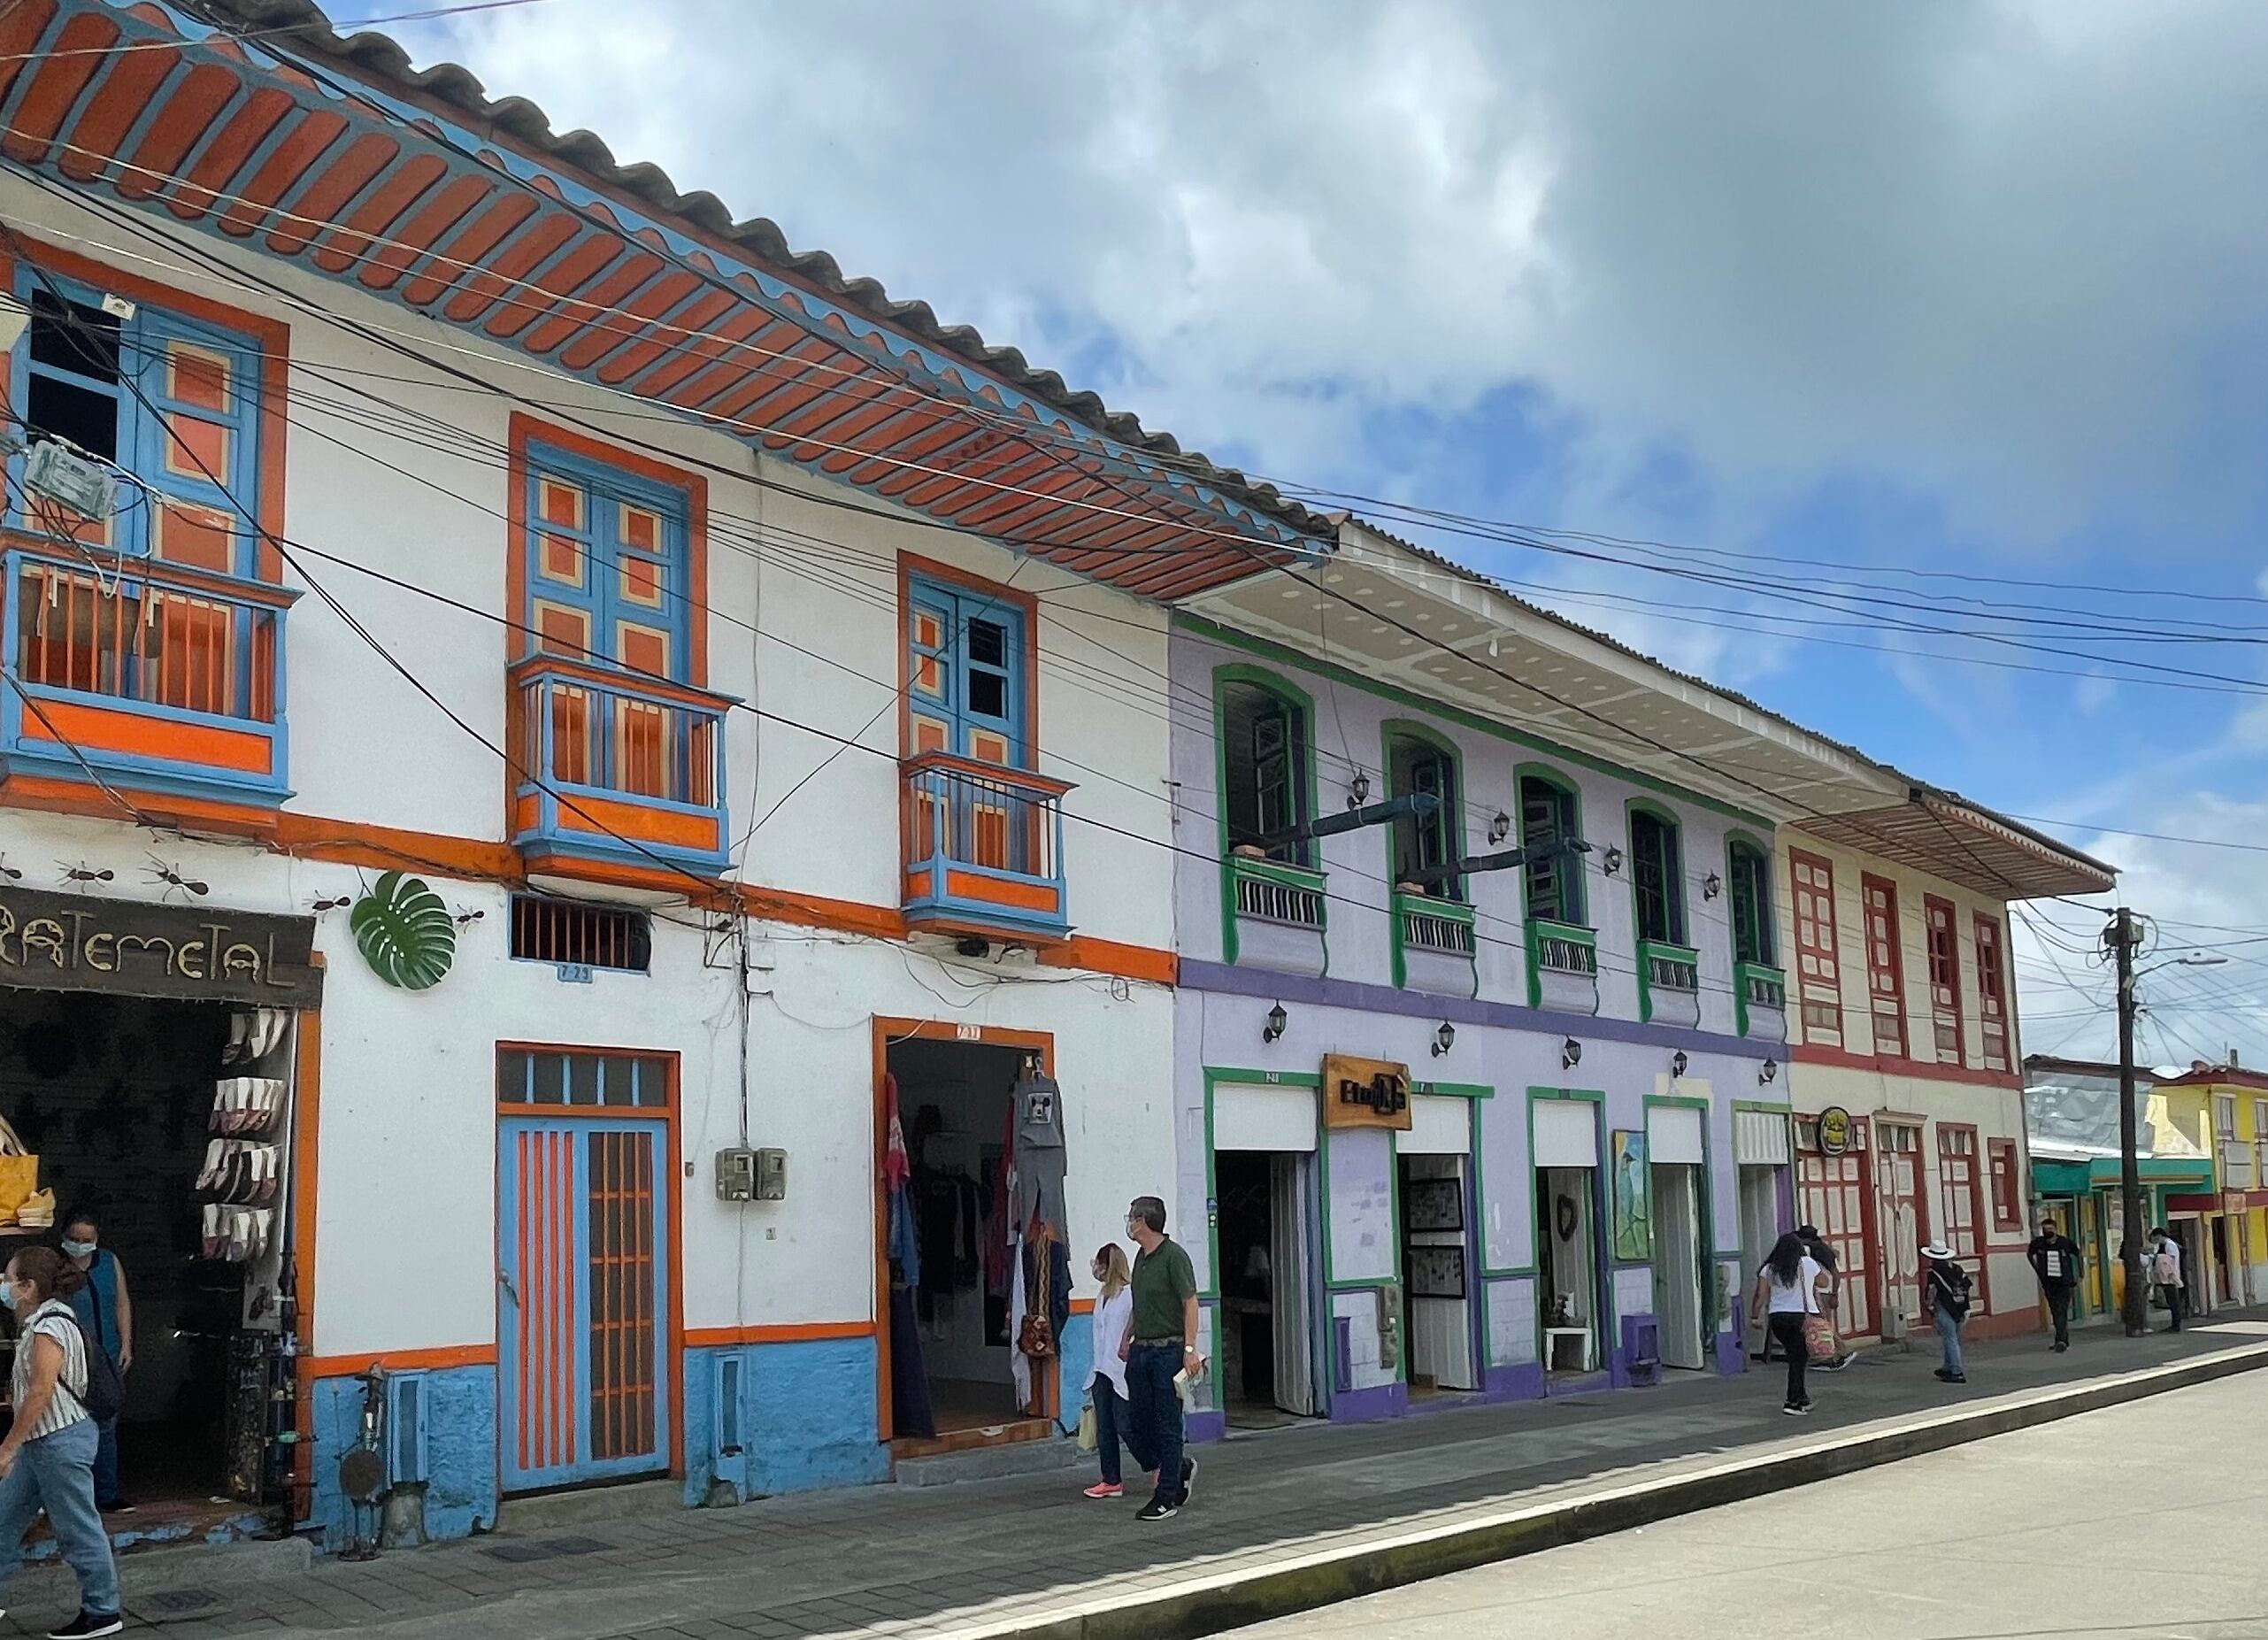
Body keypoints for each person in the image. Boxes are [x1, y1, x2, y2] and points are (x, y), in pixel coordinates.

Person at [0, 1246, 123, 1638]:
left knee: (77, 1530)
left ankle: (103, 1612)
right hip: (42, 1445)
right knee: (2, 1521)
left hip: (58, 1443)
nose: (4, 1286)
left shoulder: (49, 1327)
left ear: (28, 1286)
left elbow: (41, 1392)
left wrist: (7, 1447)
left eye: (8, 1279)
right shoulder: (42, 1321)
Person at [1119, 1195, 1201, 1521]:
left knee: (1168, 1423)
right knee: (1132, 1419)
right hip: (1142, 1349)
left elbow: (1190, 1302)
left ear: (1144, 1221)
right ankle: (1177, 1464)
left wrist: (1190, 1349)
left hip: (1168, 1350)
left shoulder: (1174, 1257)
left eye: (1132, 1217)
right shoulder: (1140, 1257)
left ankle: (1165, 1496)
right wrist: (1127, 1335)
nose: (1129, 1223)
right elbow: (1140, 1303)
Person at [58, 1212, 130, 1514]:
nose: (80, 1245)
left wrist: (127, 1343)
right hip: (69, 1358)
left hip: (108, 1354)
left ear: (97, 1240)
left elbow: (122, 1303)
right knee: (70, 1428)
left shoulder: (109, 1262)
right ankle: (76, 1501)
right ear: (64, 1237)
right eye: (74, 1239)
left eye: (87, 1241)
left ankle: (108, 1495)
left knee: (107, 1425)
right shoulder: (55, 1267)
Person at [1750, 1232, 1828, 1416]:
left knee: (1796, 1356)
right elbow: (1824, 1282)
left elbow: (1761, 1295)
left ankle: (1802, 1397)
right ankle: (1792, 1401)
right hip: (1802, 1316)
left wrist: (1754, 1316)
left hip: (1778, 1318)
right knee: (1798, 1359)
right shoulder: (1807, 1264)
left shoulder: (1769, 1269)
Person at [1081, 1244, 1134, 1499]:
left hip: (1122, 1370)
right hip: (1101, 1369)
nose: (1095, 1270)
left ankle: (1159, 1464)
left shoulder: (1129, 1295)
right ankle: (1111, 1479)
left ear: (1107, 1266)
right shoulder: (1103, 1296)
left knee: (1126, 1425)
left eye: (1098, 1265)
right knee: (1105, 1428)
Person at [1795, 1225, 1857, 1371]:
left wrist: (1834, 1295)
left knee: (1823, 1324)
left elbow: (1835, 1273)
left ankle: (1840, 1351)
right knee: (1823, 1324)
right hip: (1823, 1290)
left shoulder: (1818, 1251)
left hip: (1825, 1291)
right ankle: (1836, 1351)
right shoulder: (1818, 1248)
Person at [2027, 1215, 2084, 1352]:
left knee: (2061, 1310)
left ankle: (2061, 1341)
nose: (2048, 1232)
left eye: (2050, 1229)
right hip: (2048, 1283)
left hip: (2065, 1282)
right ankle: (2062, 1339)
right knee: (2055, 1310)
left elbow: (2078, 1254)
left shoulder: (2065, 1243)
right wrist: (2038, 1270)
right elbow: (2030, 1254)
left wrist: (2081, 1274)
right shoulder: (2038, 1243)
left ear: (2056, 1229)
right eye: (2045, 1229)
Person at [1923, 1242, 1972, 1383]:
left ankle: (1956, 1371)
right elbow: (1967, 1285)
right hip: (1962, 1306)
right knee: (1952, 1337)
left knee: (1950, 1338)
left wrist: (1929, 1305)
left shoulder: (1934, 1272)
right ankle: (1947, 1367)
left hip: (1945, 1307)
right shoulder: (1957, 1269)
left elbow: (1932, 1291)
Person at [2149, 1227, 2186, 1332]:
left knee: (2174, 1302)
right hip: (2167, 1277)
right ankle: (2174, 1324)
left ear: (2159, 1236)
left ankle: (2176, 1325)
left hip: (2170, 1277)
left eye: (2155, 1238)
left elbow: (2170, 1261)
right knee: (2171, 1302)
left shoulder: (2169, 1245)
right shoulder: (2164, 1245)